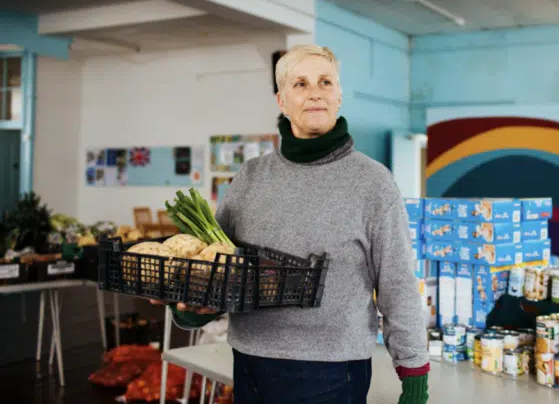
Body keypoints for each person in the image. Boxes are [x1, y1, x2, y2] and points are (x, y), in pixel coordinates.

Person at [161, 44, 430, 403]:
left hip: (333, 371)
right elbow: (217, 266)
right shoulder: (250, 176)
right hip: (250, 363)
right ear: (281, 101)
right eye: (300, 84)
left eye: (325, 82)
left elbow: (397, 284)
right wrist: (193, 312)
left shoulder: (373, 183)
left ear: (339, 97)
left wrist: (414, 376)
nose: (315, 92)